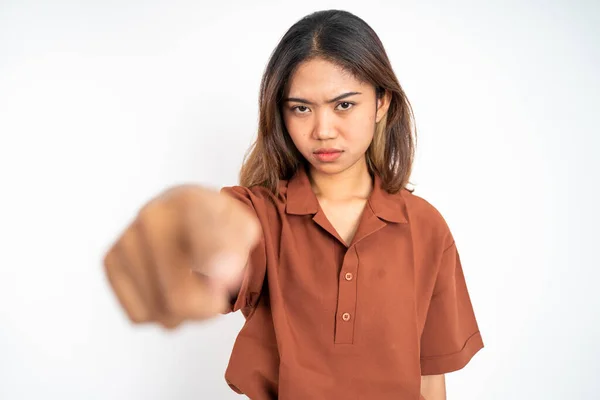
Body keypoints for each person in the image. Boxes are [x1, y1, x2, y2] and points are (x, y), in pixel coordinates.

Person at [103, 9, 484, 400]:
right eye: (301, 108)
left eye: (344, 105)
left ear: (382, 102)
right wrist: (183, 232)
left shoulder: (426, 226)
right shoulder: (261, 214)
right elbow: (219, 248)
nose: (322, 130)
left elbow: (430, 378)